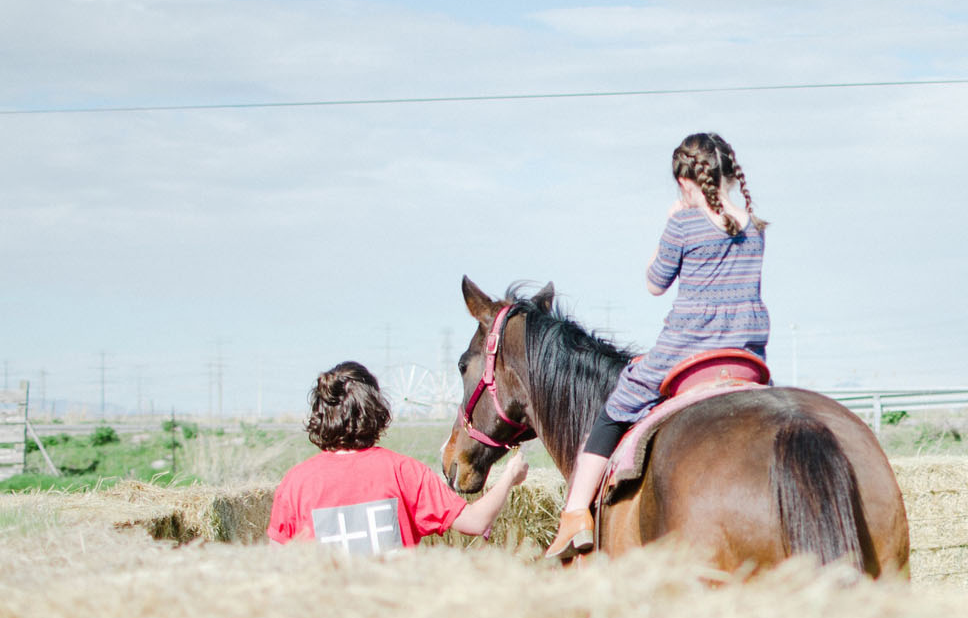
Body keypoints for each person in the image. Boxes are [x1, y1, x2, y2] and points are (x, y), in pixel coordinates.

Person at [545, 132, 769, 559]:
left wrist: (670, 221)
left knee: (614, 410)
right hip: (746, 353)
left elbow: (654, 283)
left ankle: (575, 514)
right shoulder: (756, 228)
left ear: (685, 181)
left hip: (688, 349)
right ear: (727, 175)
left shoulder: (682, 222)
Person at [268, 360, 528, 553]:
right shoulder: (403, 472)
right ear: (376, 409)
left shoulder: (296, 483)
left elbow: (274, 565)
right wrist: (509, 477)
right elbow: (476, 521)